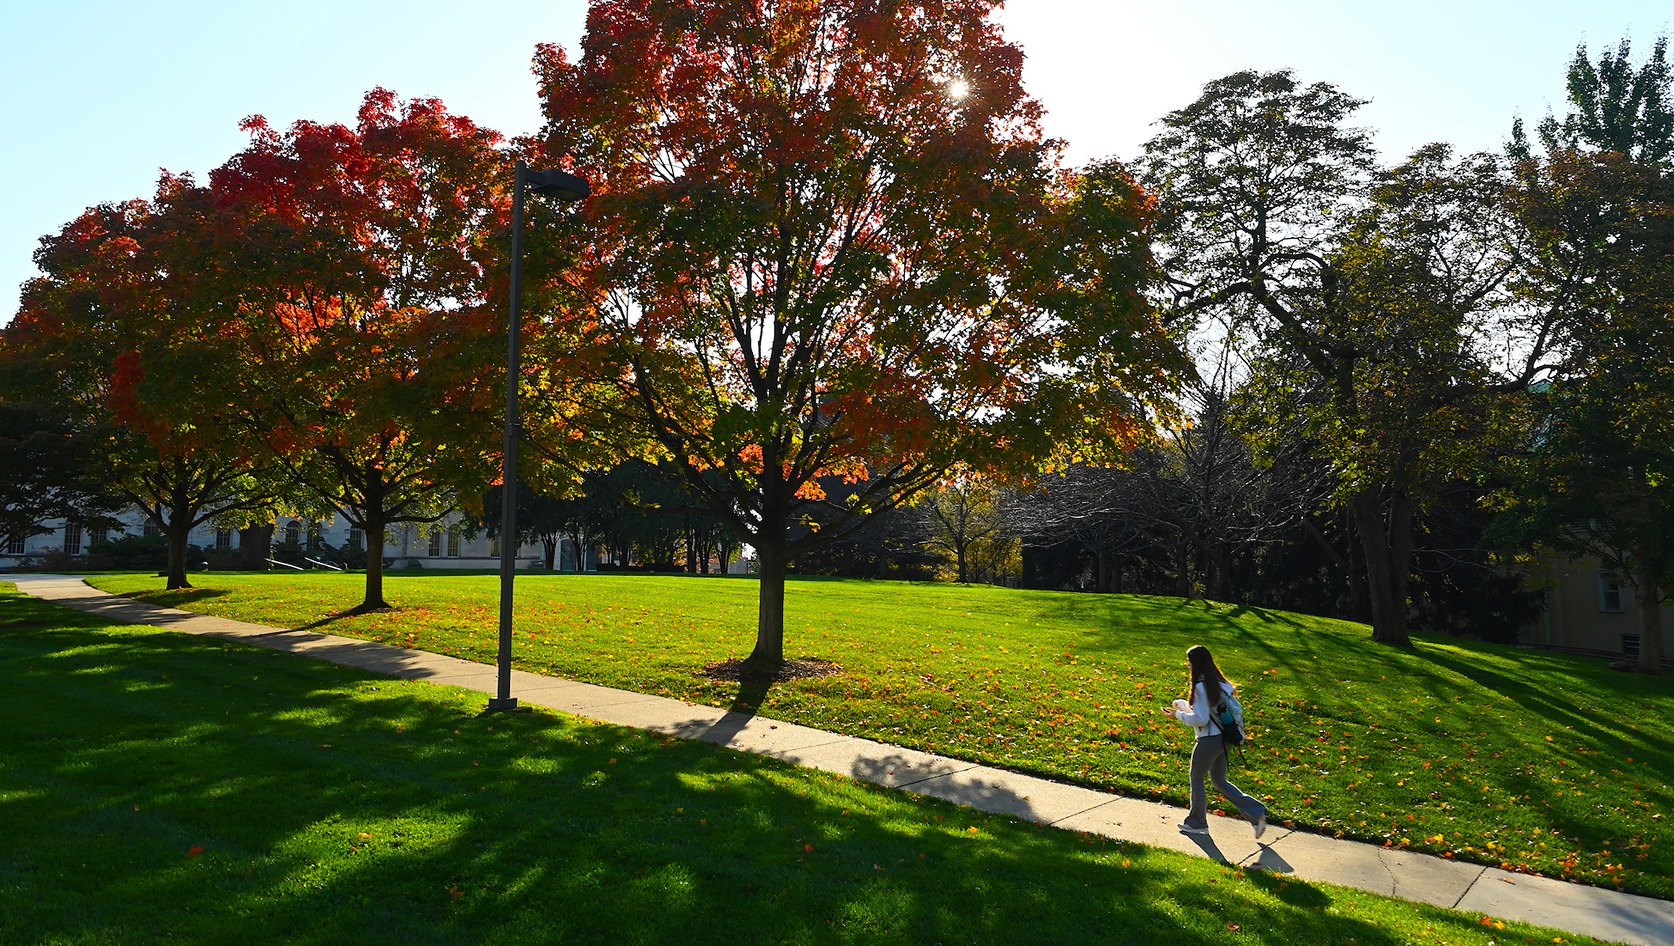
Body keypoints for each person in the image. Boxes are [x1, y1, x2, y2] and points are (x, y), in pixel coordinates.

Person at [1162, 644, 1267, 839]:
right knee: (1219, 781)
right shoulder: (1219, 682)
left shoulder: (1201, 686)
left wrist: (1178, 716)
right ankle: (1256, 812)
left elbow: (1201, 719)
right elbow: (1208, 711)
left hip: (1209, 740)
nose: (1188, 666)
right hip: (1224, 738)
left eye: (1189, 663)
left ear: (1196, 664)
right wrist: (1184, 706)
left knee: (1196, 777)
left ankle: (1197, 822)